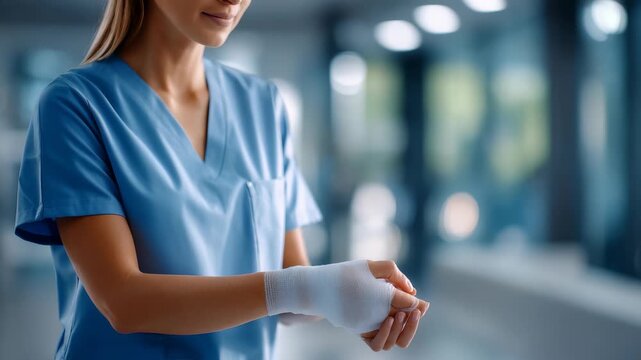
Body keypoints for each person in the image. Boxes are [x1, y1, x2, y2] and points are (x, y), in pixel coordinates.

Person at [13, 0, 430, 359]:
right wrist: (308, 288)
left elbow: (292, 287)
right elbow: (123, 301)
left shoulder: (264, 106)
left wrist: (348, 300)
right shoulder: (77, 106)